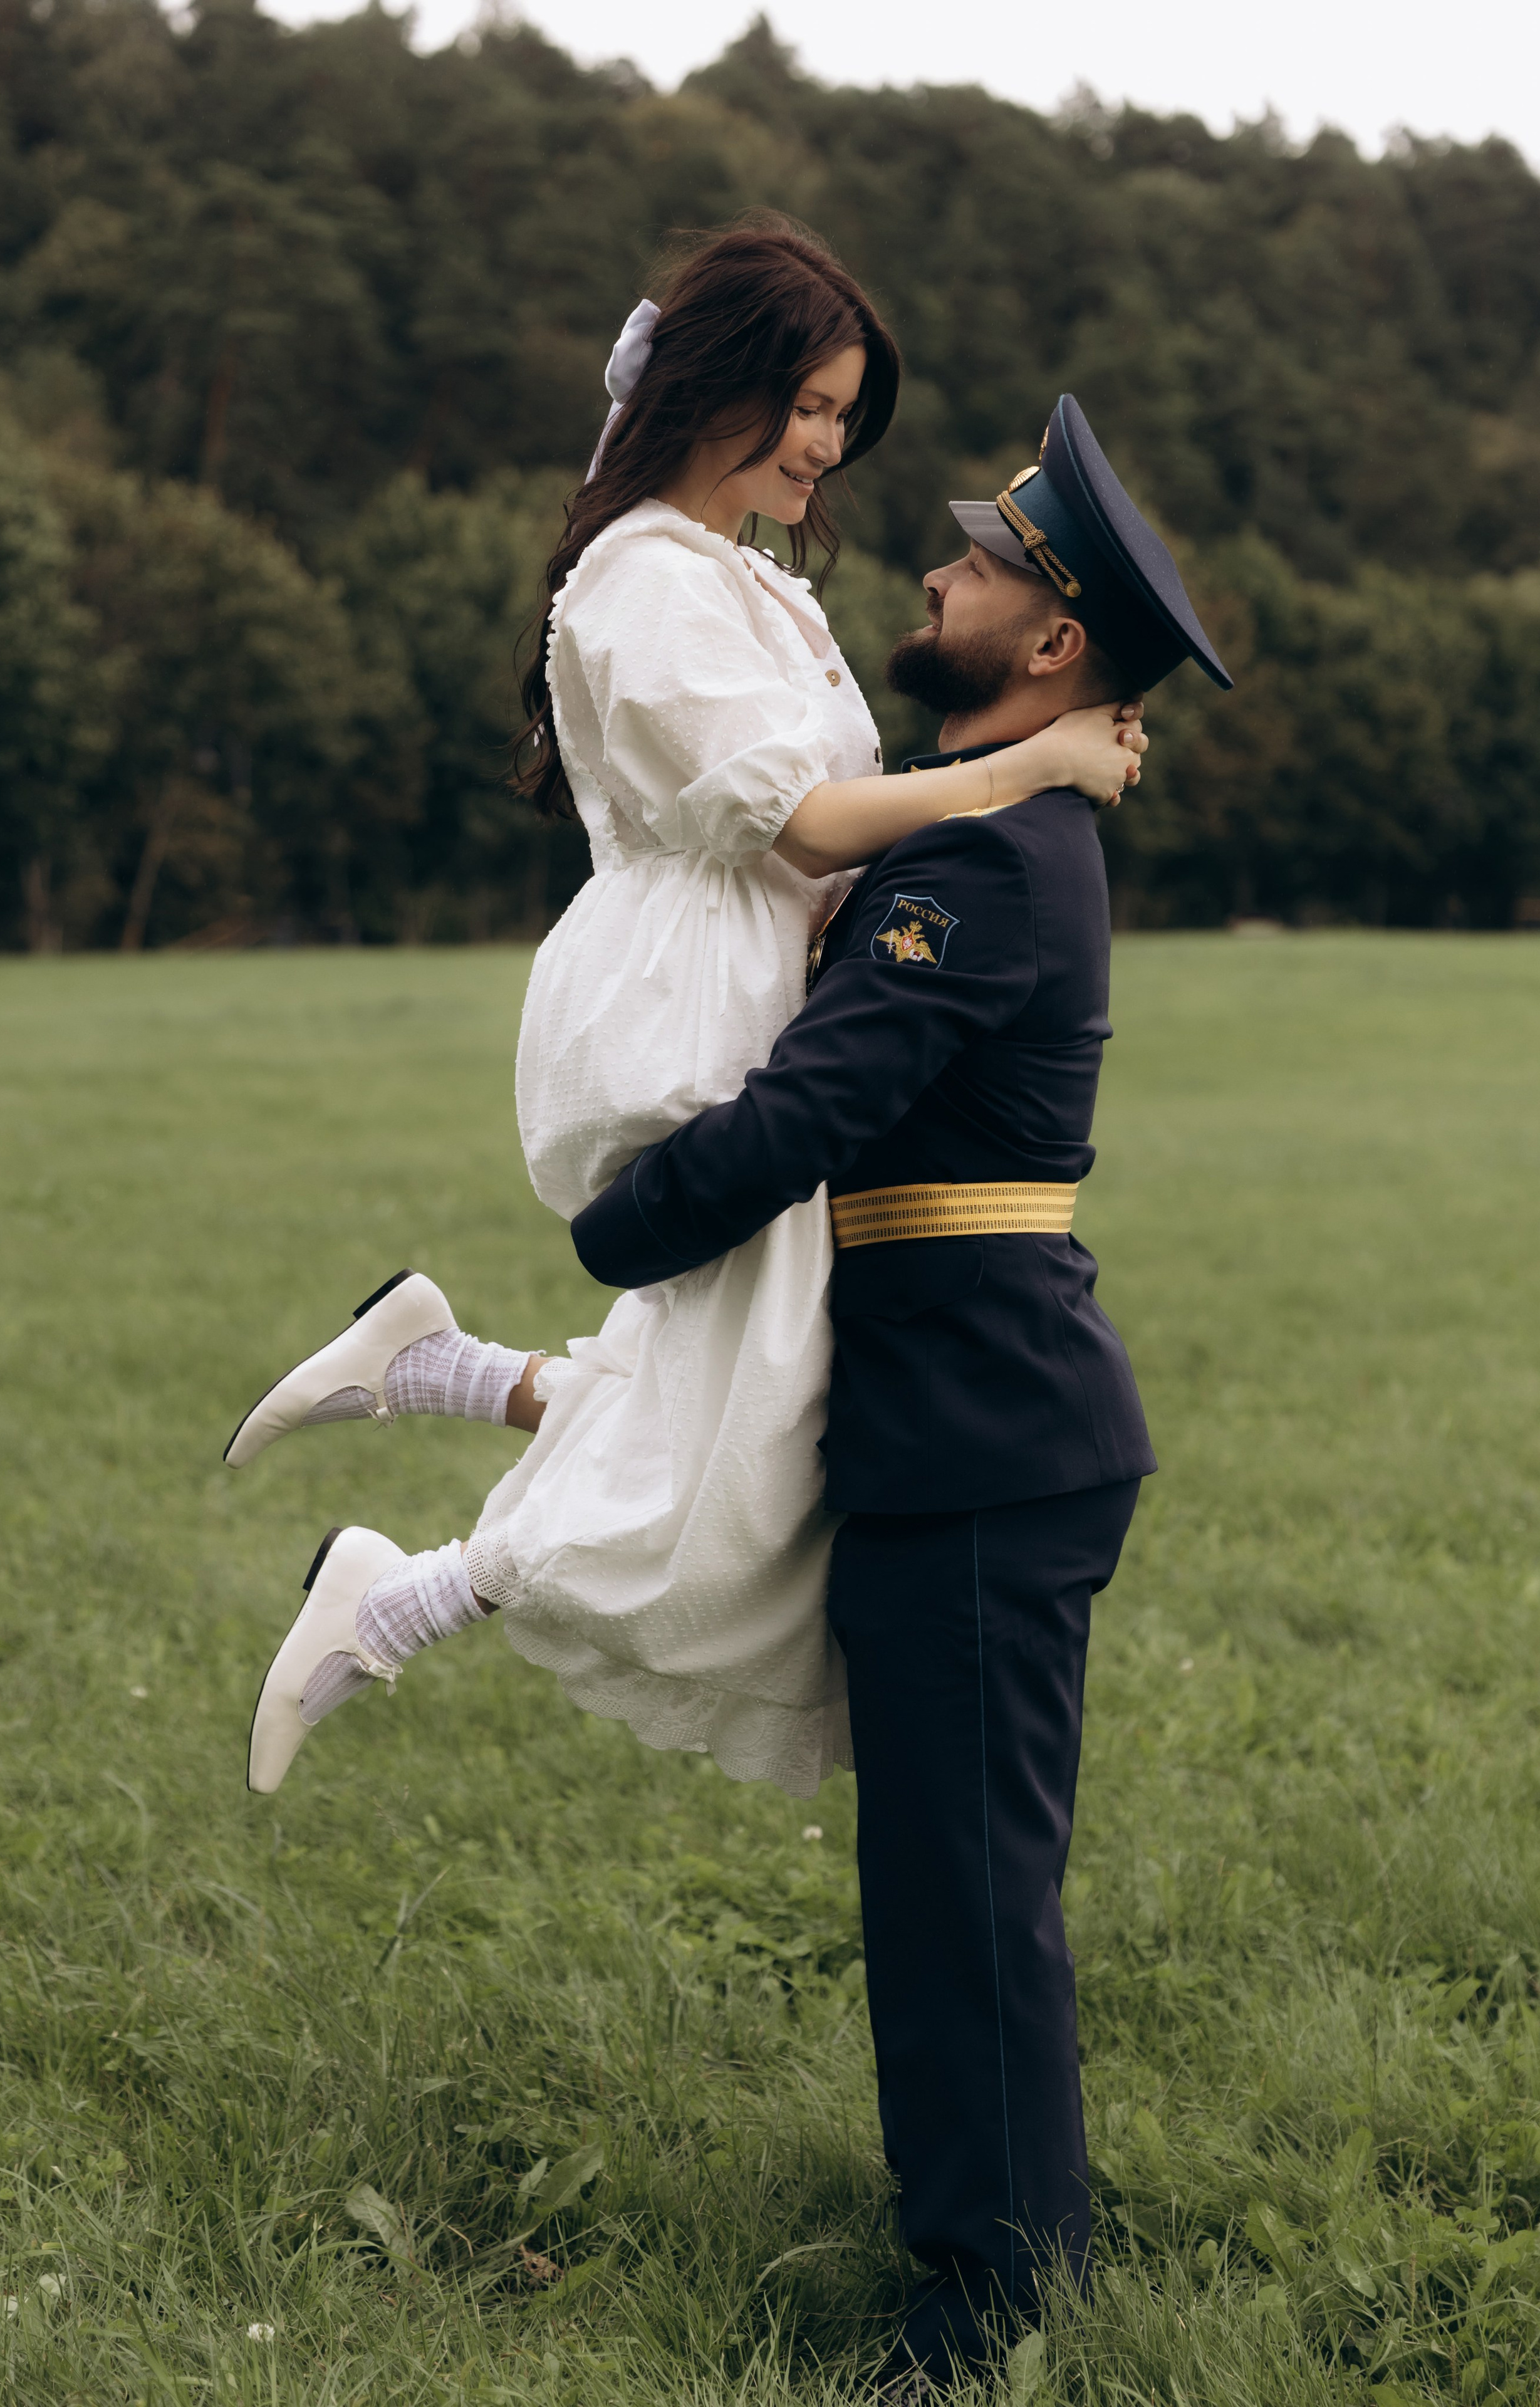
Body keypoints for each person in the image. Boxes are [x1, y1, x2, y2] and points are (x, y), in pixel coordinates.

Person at [226, 221, 1146, 1799]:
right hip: (686, 1006)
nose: (825, 445)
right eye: (803, 404)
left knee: (747, 1399)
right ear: (715, 385)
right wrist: (1033, 767)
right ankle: (400, 1589)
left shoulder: (738, 575)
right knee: (739, 1442)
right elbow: (801, 823)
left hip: (753, 980)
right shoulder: (640, 580)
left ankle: (432, 1381)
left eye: (841, 415)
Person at [568, 393, 1234, 2393]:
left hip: (985, 1441)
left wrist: (627, 1223)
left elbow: (820, 1103)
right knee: (955, 1875)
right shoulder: (982, 824)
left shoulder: (1000, 861)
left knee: (963, 1889)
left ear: (1047, 642)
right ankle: (1013, 2231)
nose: (934, 569)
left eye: (981, 562)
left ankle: (995, 2299)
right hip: (973, 1424)